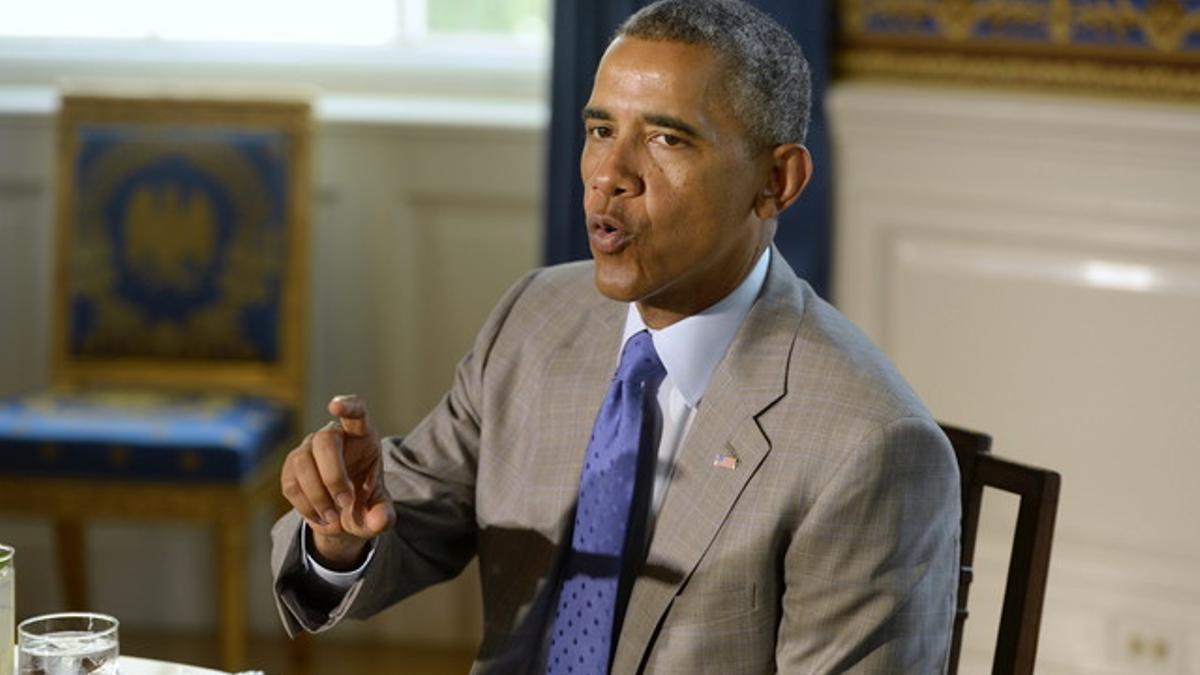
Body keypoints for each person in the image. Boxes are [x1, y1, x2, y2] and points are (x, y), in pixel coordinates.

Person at [270, 0, 960, 672]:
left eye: (666, 139)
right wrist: (338, 535)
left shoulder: (871, 447)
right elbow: (404, 524)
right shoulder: (537, 317)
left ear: (776, 181)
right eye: (601, 130)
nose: (609, 176)